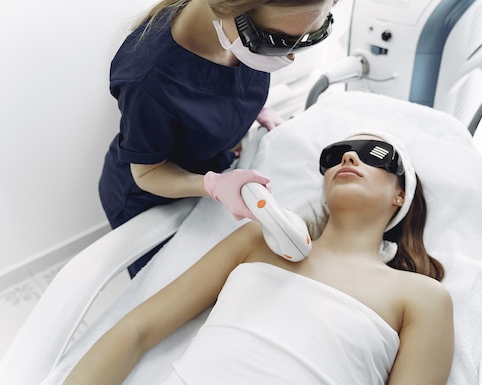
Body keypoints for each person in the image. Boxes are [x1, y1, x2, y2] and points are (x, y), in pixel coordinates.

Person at [63, 131, 455, 385]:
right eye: (335, 154)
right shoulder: (259, 240)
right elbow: (140, 328)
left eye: (376, 154)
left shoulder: (424, 297)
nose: (349, 158)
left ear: (400, 196)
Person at [98, 0, 341, 276]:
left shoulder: (242, 37)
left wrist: (256, 110)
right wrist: (212, 185)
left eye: (308, 38)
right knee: (170, 285)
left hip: (214, 167)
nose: (289, 57)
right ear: (227, 8)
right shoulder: (148, 77)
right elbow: (147, 172)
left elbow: (224, 87)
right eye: (278, 42)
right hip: (149, 196)